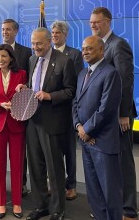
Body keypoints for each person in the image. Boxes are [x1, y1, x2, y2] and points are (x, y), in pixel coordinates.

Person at [90, 7, 138, 220]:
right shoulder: (98, 46)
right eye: (91, 23)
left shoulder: (118, 45)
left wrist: (124, 113)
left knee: (123, 162)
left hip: (119, 116)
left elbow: (125, 81)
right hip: (104, 117)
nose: (93, 26)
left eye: (97, 22)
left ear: (107, 22)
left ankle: (128, 210)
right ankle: (113, 209)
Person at [25, 28, 77, 220]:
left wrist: (49, 96)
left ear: (48, 42)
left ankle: (57, 209)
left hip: (53, 123)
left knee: (55, 168)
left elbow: (71, 91)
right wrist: (26, 88)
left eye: (38, 43)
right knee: (35, 166)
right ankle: (40, 206)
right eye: (32, 43)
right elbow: (34, 87)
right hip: (32, 120)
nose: (35, 47)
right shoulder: (32, 60)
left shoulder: (64, 61)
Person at [73, 36, 123, 220]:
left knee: (110, 192)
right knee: (93, 190)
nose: (85, 52)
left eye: (90, 49)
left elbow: (106, 108)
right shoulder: (81, 75)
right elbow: (75, 103)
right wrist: (79, 126)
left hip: (103, 142)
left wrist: (88, 130)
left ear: (101, 50)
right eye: (83, 48)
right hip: (85, 141)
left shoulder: (110, 73)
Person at [0, 44, 28, 219]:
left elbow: (27, 96)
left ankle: (17, 203)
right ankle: (1, 203)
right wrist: (0, 105)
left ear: (11, 58)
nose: (1, 59)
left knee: (17, 165)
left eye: (4, 56)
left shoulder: (21, 74)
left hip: (16, 124)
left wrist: (23, 90)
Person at [50, 20, 84, 201]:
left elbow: (77, 84)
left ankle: (71, 185)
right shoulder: (47, 54)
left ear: (65, 35)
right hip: (50, 110)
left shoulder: (75, 55)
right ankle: (55, 184)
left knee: (69, 151)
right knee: (53, 151)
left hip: (68, 109)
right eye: (53, 32)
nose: (54, 35)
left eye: (57, 33)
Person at [1, 18, 32, 196]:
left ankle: (21, 183)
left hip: (21, 108)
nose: (5, 32)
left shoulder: (26, 52)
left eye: (8, 29)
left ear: (16, 31)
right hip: (1, 109)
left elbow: (30, 77)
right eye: (3, 29)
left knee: (20, 150)